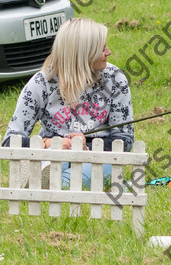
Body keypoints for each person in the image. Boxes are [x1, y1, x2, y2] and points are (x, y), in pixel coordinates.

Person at [2, 17, 134, 188]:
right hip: (54, 154)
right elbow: (10, 140)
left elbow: (125, 140)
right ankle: (45, 177)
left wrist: (84, 145)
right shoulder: (41, 83)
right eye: (102, 48)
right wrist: (49, 143)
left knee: (101, 169)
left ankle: (44, 183)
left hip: (98, 158)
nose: (108, 52)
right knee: (54, 161)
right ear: (83, 54)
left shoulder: (115, 78)